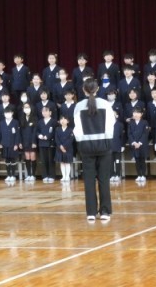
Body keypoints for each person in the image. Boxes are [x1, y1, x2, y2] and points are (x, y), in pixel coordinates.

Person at [73, 78, 115, 222]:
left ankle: (91, 212)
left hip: (86, 147)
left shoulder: (79, 106)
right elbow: (110, 125)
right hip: (104, 146)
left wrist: (81, 142)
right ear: (97, 89)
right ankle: (105, 212)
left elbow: (77, 128)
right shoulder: (105, 104)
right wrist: (107, 142)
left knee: (89, 181)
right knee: (104, 180)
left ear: (83, 90)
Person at [0, 106, 22, 184]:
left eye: (9, 113)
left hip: (13, 144)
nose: (7, 114)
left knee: (13, 159)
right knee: (7, 160)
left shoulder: (15, 122)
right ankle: (8, 174)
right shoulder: (1, 122)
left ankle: (13, 175)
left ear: (12, 113)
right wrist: (0, 143)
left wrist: (16, 144)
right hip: (4, 144)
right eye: (6, 113)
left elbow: (17, 134)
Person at [128, 107, 150, 184]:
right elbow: (129, 134)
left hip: (142, 145)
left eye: (138, 113)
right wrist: (134, 142)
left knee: (142, 160)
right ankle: (138, 175)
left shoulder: (145, 122)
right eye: (134, 112)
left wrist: (140, 143)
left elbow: (145, 133)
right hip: (134, 145)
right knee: (136, 160)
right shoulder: (131, 123)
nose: (136, 114)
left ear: (141, 114)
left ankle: (143, 175)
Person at [36, 105, 57, 183]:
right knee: (43, 160)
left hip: (50, 143)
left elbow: (55, 132)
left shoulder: (54, 121)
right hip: (42, 143)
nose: (44, 113)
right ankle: (44, 176)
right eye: (43, 111)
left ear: (50, 112)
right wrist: (39, 135)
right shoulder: (40, 122)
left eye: (46, 111)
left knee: (50, 160)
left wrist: (48, 136)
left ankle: (51, 176)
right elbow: (37, 131)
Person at [19, 102, 38, 182]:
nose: (26, 109)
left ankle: (33, 174)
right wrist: (20, 142)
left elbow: (35, 131)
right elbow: (20, 131)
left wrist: (34, 142)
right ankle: (29, 174)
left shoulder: (34, 118)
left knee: (32, 156)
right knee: (27, 157)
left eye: (28, 107)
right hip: (24, 141)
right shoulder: (21, 118)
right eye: (25, 107)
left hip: (32, 141)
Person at [54, 114, 74, 183]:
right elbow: (56, 139)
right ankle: (63, 176)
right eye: (61, 119)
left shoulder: (70, 130)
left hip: (68, 149)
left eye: (64, 119)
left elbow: (71, 139)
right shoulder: (57, 129)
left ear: (68, 121)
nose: (62, 120)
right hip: (59, 148)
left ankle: (67, 176)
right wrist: (60, 146)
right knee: (62, 162)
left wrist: (64, 146)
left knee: (67, 162)